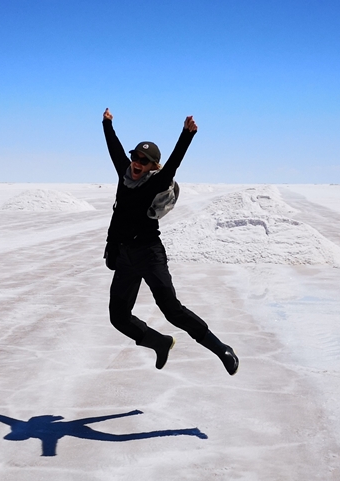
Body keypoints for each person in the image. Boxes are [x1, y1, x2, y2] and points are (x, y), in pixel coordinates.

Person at [101, 108, 239, 375]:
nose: (136, 162)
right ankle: (159, 342)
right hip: (125, 256)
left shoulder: (155, 182)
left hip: (149, 254)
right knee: (118, 317)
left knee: (172, 310)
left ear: (153, 166)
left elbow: (174, 162)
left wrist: (187, 135)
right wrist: (106, 124)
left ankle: (221, 348)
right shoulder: (124, 175)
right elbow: (113, 148)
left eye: (144, 160)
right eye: (135, 157)